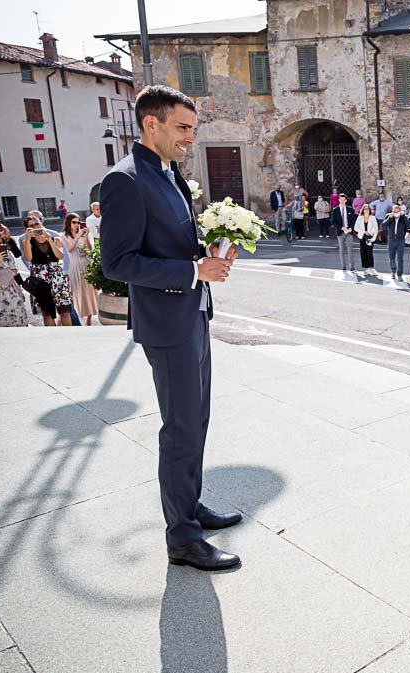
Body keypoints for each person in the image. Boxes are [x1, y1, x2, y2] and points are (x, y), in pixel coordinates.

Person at [99, 84, 242, 572]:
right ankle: (182, 538)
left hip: (193, 315)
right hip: (166, 323)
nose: (189, 139)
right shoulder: (125, 180)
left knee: (196, 421)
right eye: (182, 128)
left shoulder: (169, 171)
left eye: (193, 130)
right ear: (150, 124)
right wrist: (191, 273)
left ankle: (190, 507)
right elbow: (118, 263)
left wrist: (213, 250)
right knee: (180, 429)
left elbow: (176, 239)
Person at [21, 215, 73, 326]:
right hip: (40, 279)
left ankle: (69, 336)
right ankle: (52, 339)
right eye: (31, 226)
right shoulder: (27, 242)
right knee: (47, 312)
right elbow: (28, 258)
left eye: (37, 224)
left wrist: (49, 239)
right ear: (27, 229)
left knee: (64, 311)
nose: (35, 227)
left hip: (57, 277)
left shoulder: (55, 239)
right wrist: (27, 239)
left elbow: (60, 256)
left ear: (41, 223)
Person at [60, 213, 99, 324]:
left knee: (89, 290)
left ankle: (89, 319)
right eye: (74, 222)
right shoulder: (63, 236)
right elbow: (69, 248)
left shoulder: (81, 234)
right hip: (74, 264)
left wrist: (86, 238)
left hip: (85, 263)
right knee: (74, 291)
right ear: (68, 223)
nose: (77, 225)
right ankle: (68, 317)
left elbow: (89, 250)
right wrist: (77, 237)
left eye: (78, 222)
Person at [0, 229, 28, 326]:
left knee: (18, 321)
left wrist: (2, 273)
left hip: (11, 292)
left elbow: (14, 271)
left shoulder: (7, 254)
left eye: (0, 243)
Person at [383, 204, 409, 280]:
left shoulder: (403, 218)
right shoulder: (389, 216)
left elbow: (409, 226)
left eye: (398, 210)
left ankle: (400, 274)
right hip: (391, 240)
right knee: (391, 257)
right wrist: (389, 218)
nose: (396, 211)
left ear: (400, 211)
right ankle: (393, 271)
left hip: (400, 240)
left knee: (400, 258)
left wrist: (403, 216)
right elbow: (383, 226)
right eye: (395, 210)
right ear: (392, 211)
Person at [331, 195, 356, 272]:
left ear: (346, 200)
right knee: (341, 249)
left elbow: (353, 220)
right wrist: (341, 227)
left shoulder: (350, 209)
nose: (342, 201)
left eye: (343, 200)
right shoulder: (335, 210)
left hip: (349, 232)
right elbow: (333, 222)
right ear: (339, 200)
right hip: (340, 232)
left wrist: (351, 228)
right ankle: (343, 266)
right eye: (341, 200)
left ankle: (352, 266)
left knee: (350, 249)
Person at [354, 204, 379, 276]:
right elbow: (356, 228)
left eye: (367, 209)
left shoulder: (373, 218)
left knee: (369, 252)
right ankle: (366, 268)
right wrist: (364, 231)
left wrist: (373, 238)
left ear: (369, 210)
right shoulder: (360, 217)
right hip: (362, 236)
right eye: (365, 209)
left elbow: (376, 229)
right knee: (363, 252)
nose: (366, 210)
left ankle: (372, 268)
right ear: (363, 210)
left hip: (370, 237)